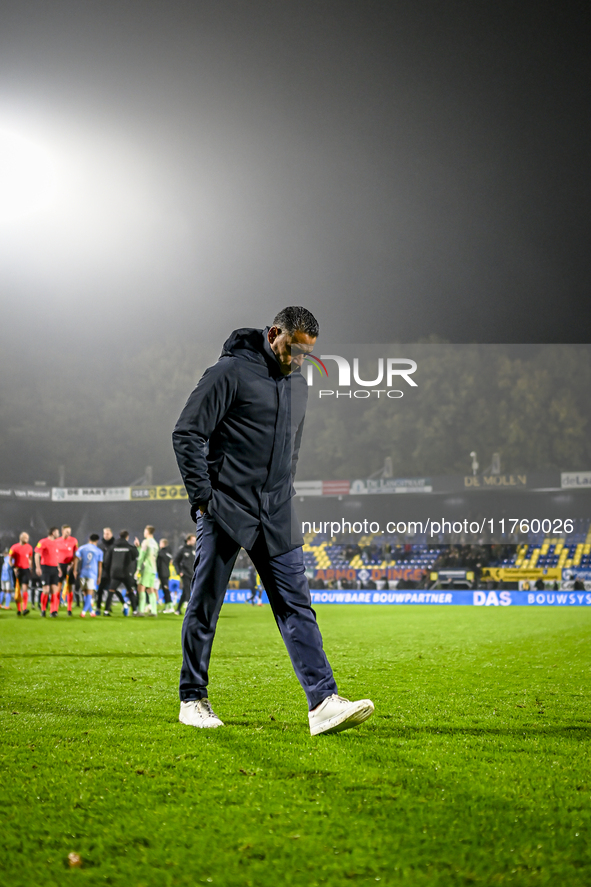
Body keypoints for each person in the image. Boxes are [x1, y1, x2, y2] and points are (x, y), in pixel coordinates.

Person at [172, 306, 374, 734]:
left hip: (277, 509)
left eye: (306, 354)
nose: (298, 359)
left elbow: (291, 450)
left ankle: (322, 703)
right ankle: (193, 698)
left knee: (296, 604)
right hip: (226, 506)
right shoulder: (228, 372)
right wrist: (204, 498)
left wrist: (283, 490)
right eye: (293, 349)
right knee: (206, 604)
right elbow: (187, 432)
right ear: (274, 333)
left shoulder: (298, 385)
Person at [105, 531, 138, 616]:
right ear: (127, 537)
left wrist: (109, 572)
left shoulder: (113, 547)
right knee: (130, 591)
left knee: (111, 591)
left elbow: (107, 561)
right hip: (126, 573)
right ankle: (134, 611)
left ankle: (106, 611)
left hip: (115, 572)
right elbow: (136, 556)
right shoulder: (129, 547)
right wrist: (136, 546)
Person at [35, 527, 63, 617]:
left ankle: (53, 611)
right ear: (53, 533)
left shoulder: (56, 543)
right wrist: (38, 567)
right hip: (45, 568)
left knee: (54, 590)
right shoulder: (43, 542)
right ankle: (43, 610)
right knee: (46, 590)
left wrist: (58, 568)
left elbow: (56, 557)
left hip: (54, 568)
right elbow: (37, 555)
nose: (59, 534)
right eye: (58, 532)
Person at [74, 534, 103, 617]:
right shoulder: (98, 551)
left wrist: (75, 570)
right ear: (97, 540)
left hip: (83, 573)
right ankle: (83, 612)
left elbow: (76, 558)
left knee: (86, 594)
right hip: (92, 574)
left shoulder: (82, 548)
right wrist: (99, 577)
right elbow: (100, 565)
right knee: (90, 594)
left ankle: (91, 612)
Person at [8, 532, 33, 616]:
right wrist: (13, 568)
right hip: (17, 570)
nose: (27, 539)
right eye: (26, 537)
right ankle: (19, 609)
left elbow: (30, 559)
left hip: (26, 570)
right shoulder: (14, 547)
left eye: (28, 537)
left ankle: (25, 608)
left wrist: (31, 568)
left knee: (25, 589)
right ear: (21, 538)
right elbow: (10, 560)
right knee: (17, 590)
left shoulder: (29, 547)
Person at [136, 525, 159, 616]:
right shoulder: (155, 543)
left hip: (146, 568)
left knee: (141, 587)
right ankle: (154, 611)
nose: (144, 532)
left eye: (145, 531)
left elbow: (142, 556)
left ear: (147, 532)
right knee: (150, 589)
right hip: (153, 568)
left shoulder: (146, 542)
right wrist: (139, 547)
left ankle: (141, 610)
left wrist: (138, 568)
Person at [57, 525, 79, 615]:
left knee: (70, 587)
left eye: (69, 531)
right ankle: (55, 608)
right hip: (59, 566)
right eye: (66, 531)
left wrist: (74, 568)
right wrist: (57, 567)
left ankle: (69, 609)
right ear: (62, 531)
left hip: (70, 565)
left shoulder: (74, 540)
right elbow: (54, 554)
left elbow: (76, 555)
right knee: (58, 587)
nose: (68, 533)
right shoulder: (57, 541)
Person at [173, 534, 196, 615]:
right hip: (185, 573)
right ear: (188, 540)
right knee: (187, 590)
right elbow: (175, 561)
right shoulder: (182, 549)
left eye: (194, 540)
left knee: (185, 592)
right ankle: (188, 607)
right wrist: (179, 571)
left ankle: (178, 609)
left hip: (193, 574)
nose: (194, 542)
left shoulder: (194, 550)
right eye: (193, 540)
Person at [95, 528, 115, 615]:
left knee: (111, 590)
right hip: (102, 572)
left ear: (111, 534)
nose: (106, 535)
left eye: (107, 534)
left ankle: (108, 606)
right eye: (105, 534)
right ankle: (98, 607)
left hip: (112, 572)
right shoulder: (100, 546)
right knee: (100, 591)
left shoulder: (114, 545)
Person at [157, 538, 175, 613]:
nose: (159, 545)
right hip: (163, 573)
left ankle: (170, 606)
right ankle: (167, 606)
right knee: (165, 590)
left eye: (160, 543)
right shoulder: (166, 552)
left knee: (166, 590)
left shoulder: (163, 552)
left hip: (164, 573)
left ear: (163, 544)